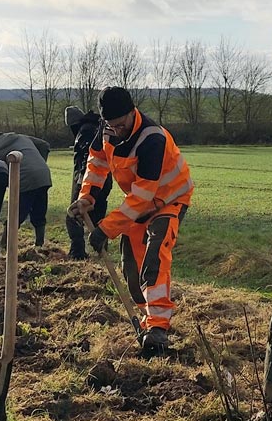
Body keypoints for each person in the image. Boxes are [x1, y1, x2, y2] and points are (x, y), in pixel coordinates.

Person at [69, 87, 194, 357]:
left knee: (154, 258)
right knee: (131, 264)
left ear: (132, 111)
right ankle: (146, 321)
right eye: (112, 125)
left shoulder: (152, 138)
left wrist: (106, 229)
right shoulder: (107, 130)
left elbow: (143, 196)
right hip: (139, 202)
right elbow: (97, 162)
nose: (118, 130)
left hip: (168, 199)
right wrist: (88, 196)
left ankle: (159, 328)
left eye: (121, 124)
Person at [0, 131, 52, 248]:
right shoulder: (21, 136)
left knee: (15, 213)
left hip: (24, 178)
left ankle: (5, 244)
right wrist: (39, 162)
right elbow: (45, 145)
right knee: (39, 210)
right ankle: (39, 243)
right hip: (43, 174)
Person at [63, 106, 112, 260]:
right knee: (98, 212)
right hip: (105, 178)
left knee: (73, 214)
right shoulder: (97, 127)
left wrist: (81, 182)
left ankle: (77, 253)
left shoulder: (84, 131)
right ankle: (102, 251)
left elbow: (85, 157)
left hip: (88, 179)